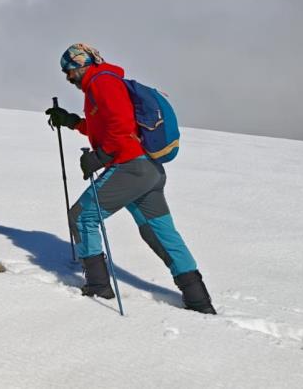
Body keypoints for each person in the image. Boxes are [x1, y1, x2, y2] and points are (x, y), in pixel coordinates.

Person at [46, 43, 215, 314]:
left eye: (69, 70)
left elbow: (121, 126)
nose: (68, 77)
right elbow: (103, 124)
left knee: (82, 216)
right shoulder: (99, 86)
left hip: (130, 167)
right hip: (148, 171)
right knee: (159, 233)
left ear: (83, 64)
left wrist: (100, 157)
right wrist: (72, 121)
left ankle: (98, 285)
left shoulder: (102, 82)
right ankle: (199, 300)